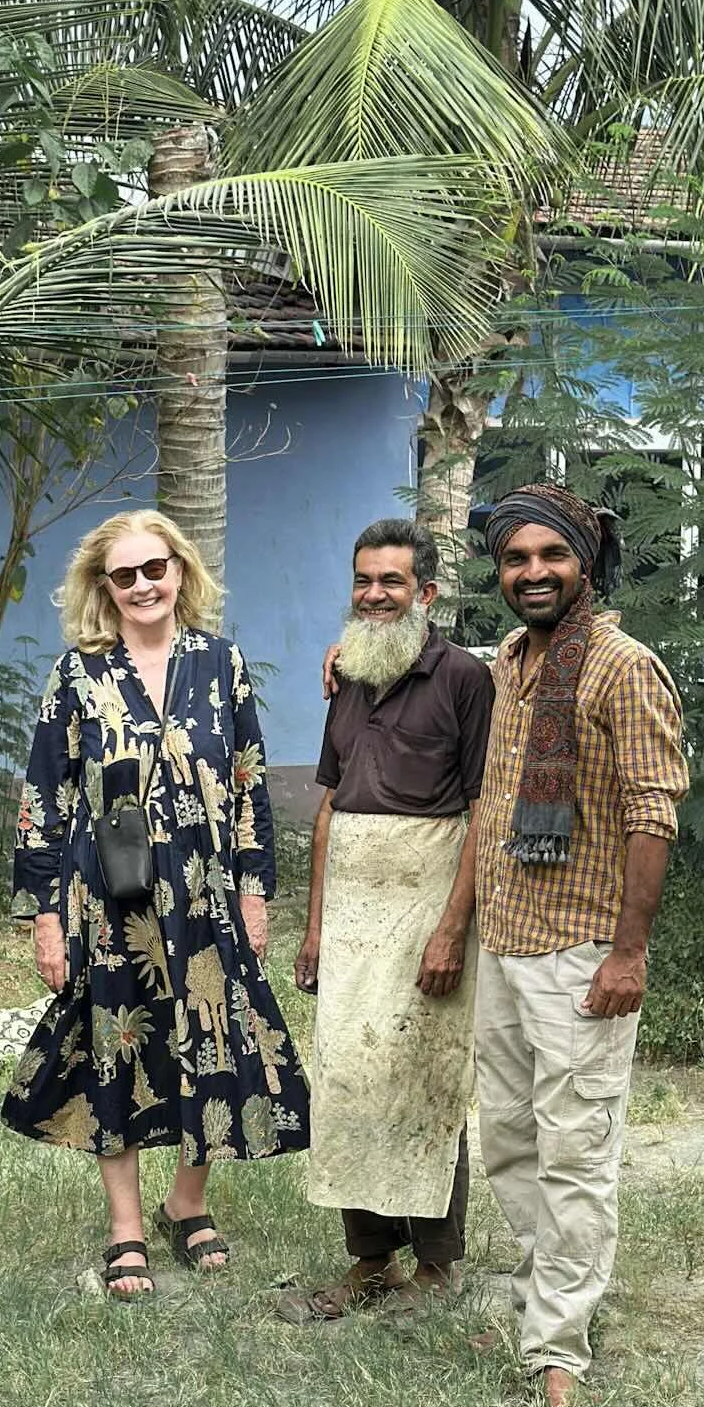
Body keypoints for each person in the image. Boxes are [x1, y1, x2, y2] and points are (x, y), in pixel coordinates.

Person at [3, 511, 308, 1299]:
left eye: (154, 568)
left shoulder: (220, 663)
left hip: (206, 894)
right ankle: (126, 1227)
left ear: (180, 571)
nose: (142, 585)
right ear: (102, 587)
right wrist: (44, 912)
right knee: (118, 1047)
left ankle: (190, 1201)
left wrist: (253, 890)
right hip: (110, 905)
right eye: (124, 575)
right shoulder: (78, 674)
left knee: (210, 1040)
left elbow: (248, 783)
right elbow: (46, 794)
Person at [472, 482, 689, 1407]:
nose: (534, 573)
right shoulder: (508, 665)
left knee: (577, 1153)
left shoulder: (620, 668)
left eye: (551, 556)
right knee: (511, 1146)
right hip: (505, 948)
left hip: (583, 954)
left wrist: (627, 955)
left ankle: (559, 1344)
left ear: (586, 562)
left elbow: (653, 813)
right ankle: (545, 1294)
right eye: (517, 559)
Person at [282, 518, 493, 1324]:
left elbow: (483, 812)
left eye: (392, 583)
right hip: (352, 917)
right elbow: (331, 806)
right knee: (346, 1081)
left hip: (425, 912)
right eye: (363, 581)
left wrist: (451, 929)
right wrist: (314, 928)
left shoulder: (465, 678)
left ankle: (438, 1267)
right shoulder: (350, 678)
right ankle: (371, 1260)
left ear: (427, 593)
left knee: (427, 1082)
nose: (374, 595)